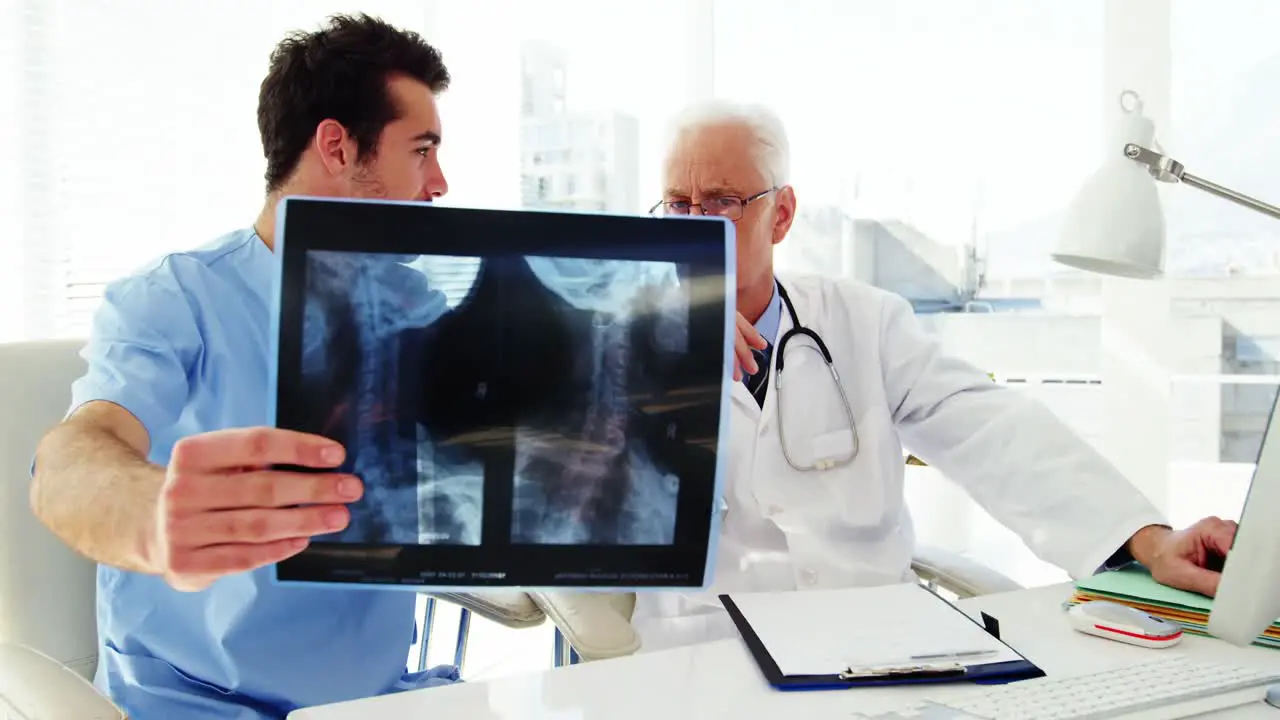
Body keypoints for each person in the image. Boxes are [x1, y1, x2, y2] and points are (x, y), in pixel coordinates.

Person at [615, 100, 1241, 652]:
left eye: (722, 201)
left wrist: (1149, 540)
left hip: (875, 642)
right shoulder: (617, 341)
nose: (693, 223)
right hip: (705, 656)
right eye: (678, 203)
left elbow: (995, 432)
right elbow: (560, 495)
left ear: (781, 214)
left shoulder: (865, 322)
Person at [27, 14, 483, 719]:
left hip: (382, 703)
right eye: (421, 150)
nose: (440, 181)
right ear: (337, 146)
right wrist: (153, 515)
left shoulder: (419, 304)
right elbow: (70, 463)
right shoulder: (177, 299)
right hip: (202, 706)